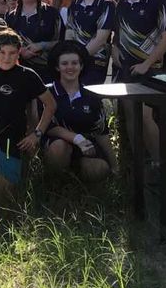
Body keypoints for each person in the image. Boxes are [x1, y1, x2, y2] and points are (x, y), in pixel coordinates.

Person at [0, 29, 57, 204]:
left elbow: (51, 104)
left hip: (11, 142)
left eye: (12, 52)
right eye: (2, 52)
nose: (7, 57)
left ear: (19, 52)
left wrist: (37, 134)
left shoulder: (28, 75)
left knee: (4, 198)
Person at [113, 0, 166, 161]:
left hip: (151, 69)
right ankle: (137, 163)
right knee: (131, 116)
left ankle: (160, 163)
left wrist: (146, 64)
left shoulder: (157, 2)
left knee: (147, 116)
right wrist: (116, 56)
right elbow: (116, 37)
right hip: (126, 70)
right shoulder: (121, 5)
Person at [43, 41, 117, 182]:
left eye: (74, 63)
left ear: (81, 66)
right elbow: (48, 127)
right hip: (57, 147)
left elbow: (102, 133)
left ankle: (78, 184)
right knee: (59, 147)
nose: (70, 67)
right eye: (64, 64)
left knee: (100, 169)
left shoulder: (92, 95)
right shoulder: (47, 92)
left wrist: (115, 167)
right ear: (57, 67)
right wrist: (77, 138)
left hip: (86, 150)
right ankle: (56, 187)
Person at [65, 0, 115, 85]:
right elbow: (69, 34)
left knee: (90, 101)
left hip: (95, 62)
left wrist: (78, 60)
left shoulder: (107, 3)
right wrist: (69, 58)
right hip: (75, 63)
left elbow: (100, 39)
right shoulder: (75, 3)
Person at [5, 0, 60, 77]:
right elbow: (6, 43)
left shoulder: (51, 13)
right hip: (19, 71)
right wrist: (20, 51)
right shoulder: (10, 17)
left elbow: (63, 41)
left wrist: (42, 45)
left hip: (49, 70)